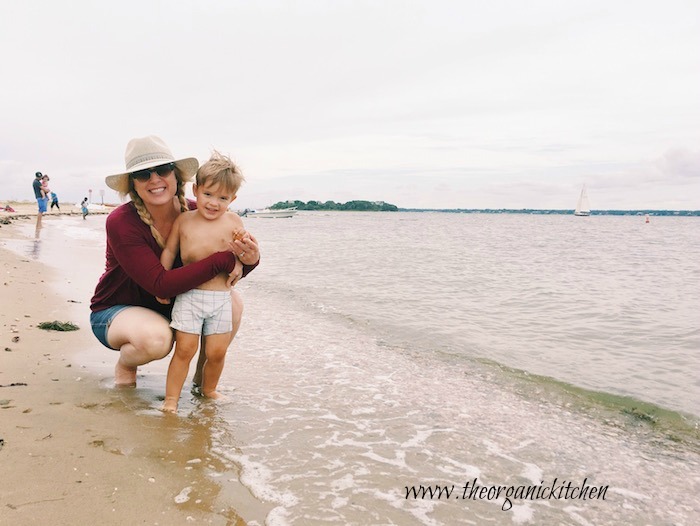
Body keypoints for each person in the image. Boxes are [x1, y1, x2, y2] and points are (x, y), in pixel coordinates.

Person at [89, 135, 260, 387]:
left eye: (162, 170)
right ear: (132, 184)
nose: (155, 179)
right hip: (117, 310)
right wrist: (225, 259)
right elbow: (161, 284)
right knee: (156, 340)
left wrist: (250, 260)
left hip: (176, 302)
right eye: (143, 174)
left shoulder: (199, 211)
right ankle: (127, 365)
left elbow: (228, 267)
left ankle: (203, 385)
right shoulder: (121, 221)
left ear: (176, 176)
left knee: (231, 303)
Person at [158, 150, 250, 413]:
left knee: (217, 352)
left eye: (222, 198)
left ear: (232, 199)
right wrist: (161, 284)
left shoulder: (233, 221)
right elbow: (169, 252)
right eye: (208, 195)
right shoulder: (184, 220)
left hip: (221, 298)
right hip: (189, 296)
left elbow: (241, 252)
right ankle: (171, 400)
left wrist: (241, 264)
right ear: (196, 190)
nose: (213, 203)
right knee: (185, 350)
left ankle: (208, 389)